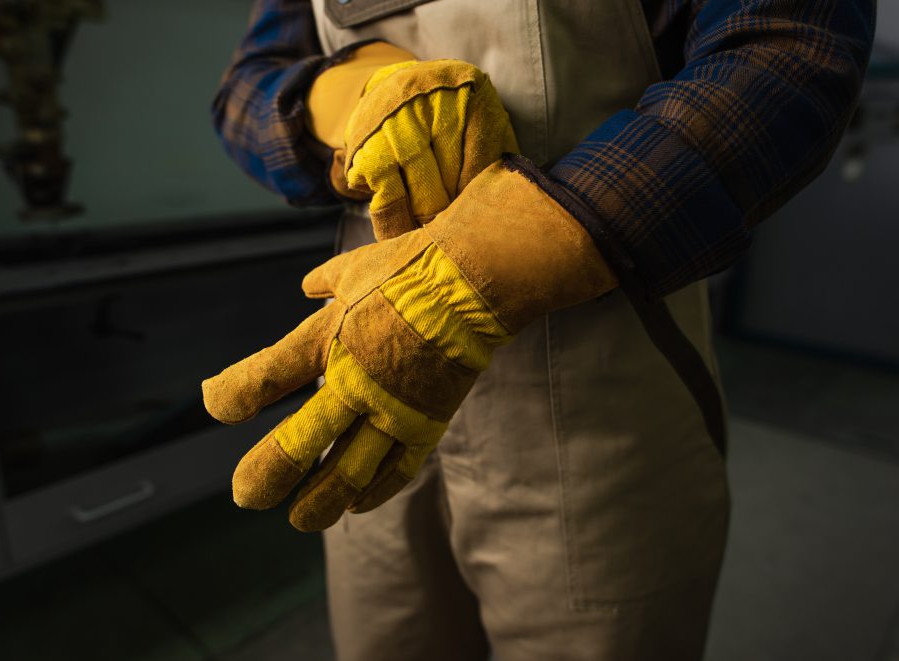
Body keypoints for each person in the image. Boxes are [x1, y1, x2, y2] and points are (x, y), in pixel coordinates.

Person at [203, 1, 874, 659]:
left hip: (600, 391)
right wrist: (360, 91)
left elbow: (789, 49)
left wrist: (477, 273)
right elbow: (246, 88)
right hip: (370, 380)